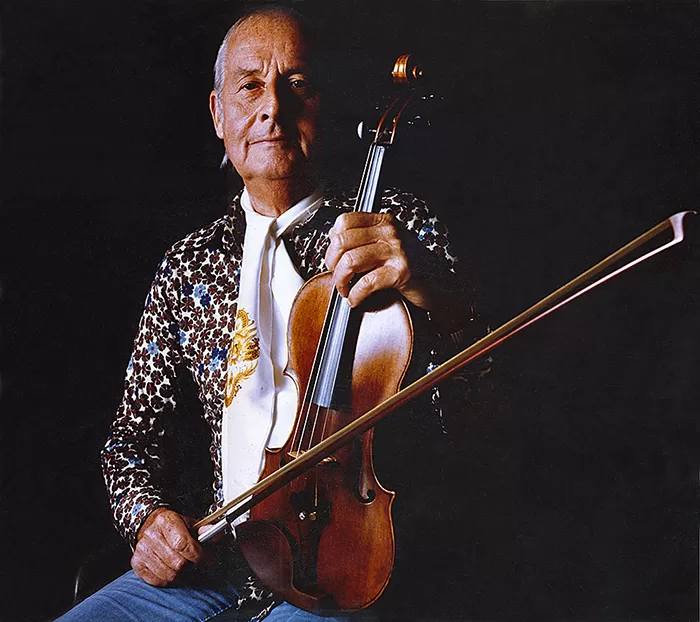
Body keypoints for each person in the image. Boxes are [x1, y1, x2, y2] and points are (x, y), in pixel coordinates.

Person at [57, 5, 474, 621]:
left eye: (296, 84)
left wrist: (426, 295)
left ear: (324, 103)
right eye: (250, 85)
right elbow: (131, 439)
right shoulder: (188, 265)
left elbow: (485, 411)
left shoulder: (394, 230)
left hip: (350, 558)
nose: (272, 108)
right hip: (217, 558)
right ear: (217, 112)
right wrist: (146, 518)